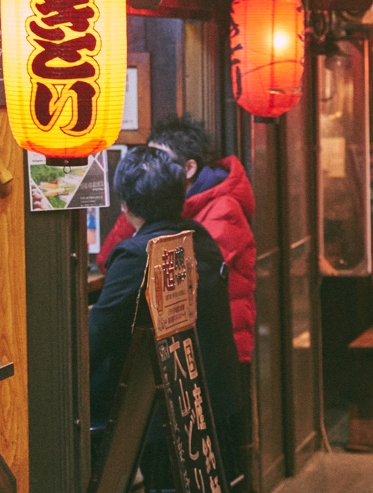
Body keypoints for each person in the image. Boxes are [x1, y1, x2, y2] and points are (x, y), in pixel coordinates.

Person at [89, 146, 241, 464]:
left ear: (126, 204)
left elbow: (96, 339)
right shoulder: (198, 237)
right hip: (210, 399)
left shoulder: (137, 254)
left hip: (159, 410)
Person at [97, 115, 257, 363]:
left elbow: (186, 281)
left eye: (161, 160)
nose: (152, 168)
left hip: (217, 351)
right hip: (190, 346)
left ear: (188, 169)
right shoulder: (167, 209)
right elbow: (107, 260)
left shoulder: (223, 209)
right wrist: (136, 203)